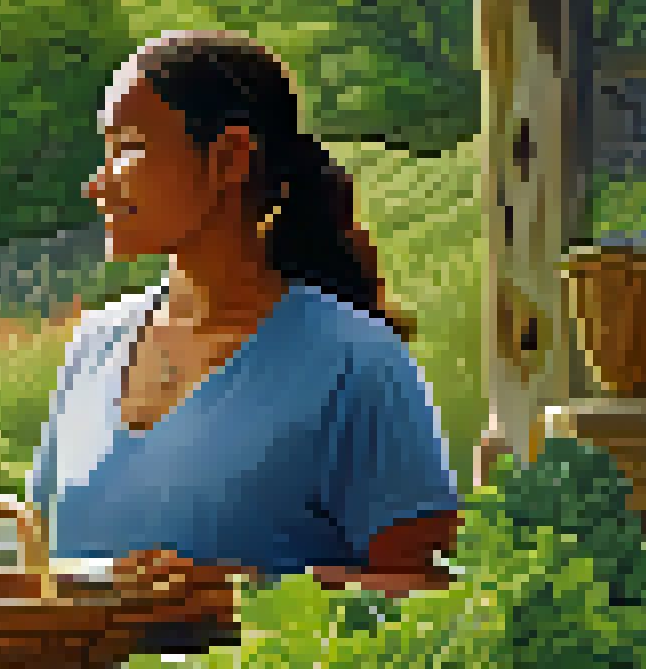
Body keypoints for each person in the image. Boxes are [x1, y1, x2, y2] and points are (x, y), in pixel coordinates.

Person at [30, 30, 460, 603]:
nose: (98, 183)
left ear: (230, 158)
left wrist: (246, 594)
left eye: (128, 148)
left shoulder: (356, 359)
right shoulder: (93, 344)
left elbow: (430, 593)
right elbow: (36, 562)